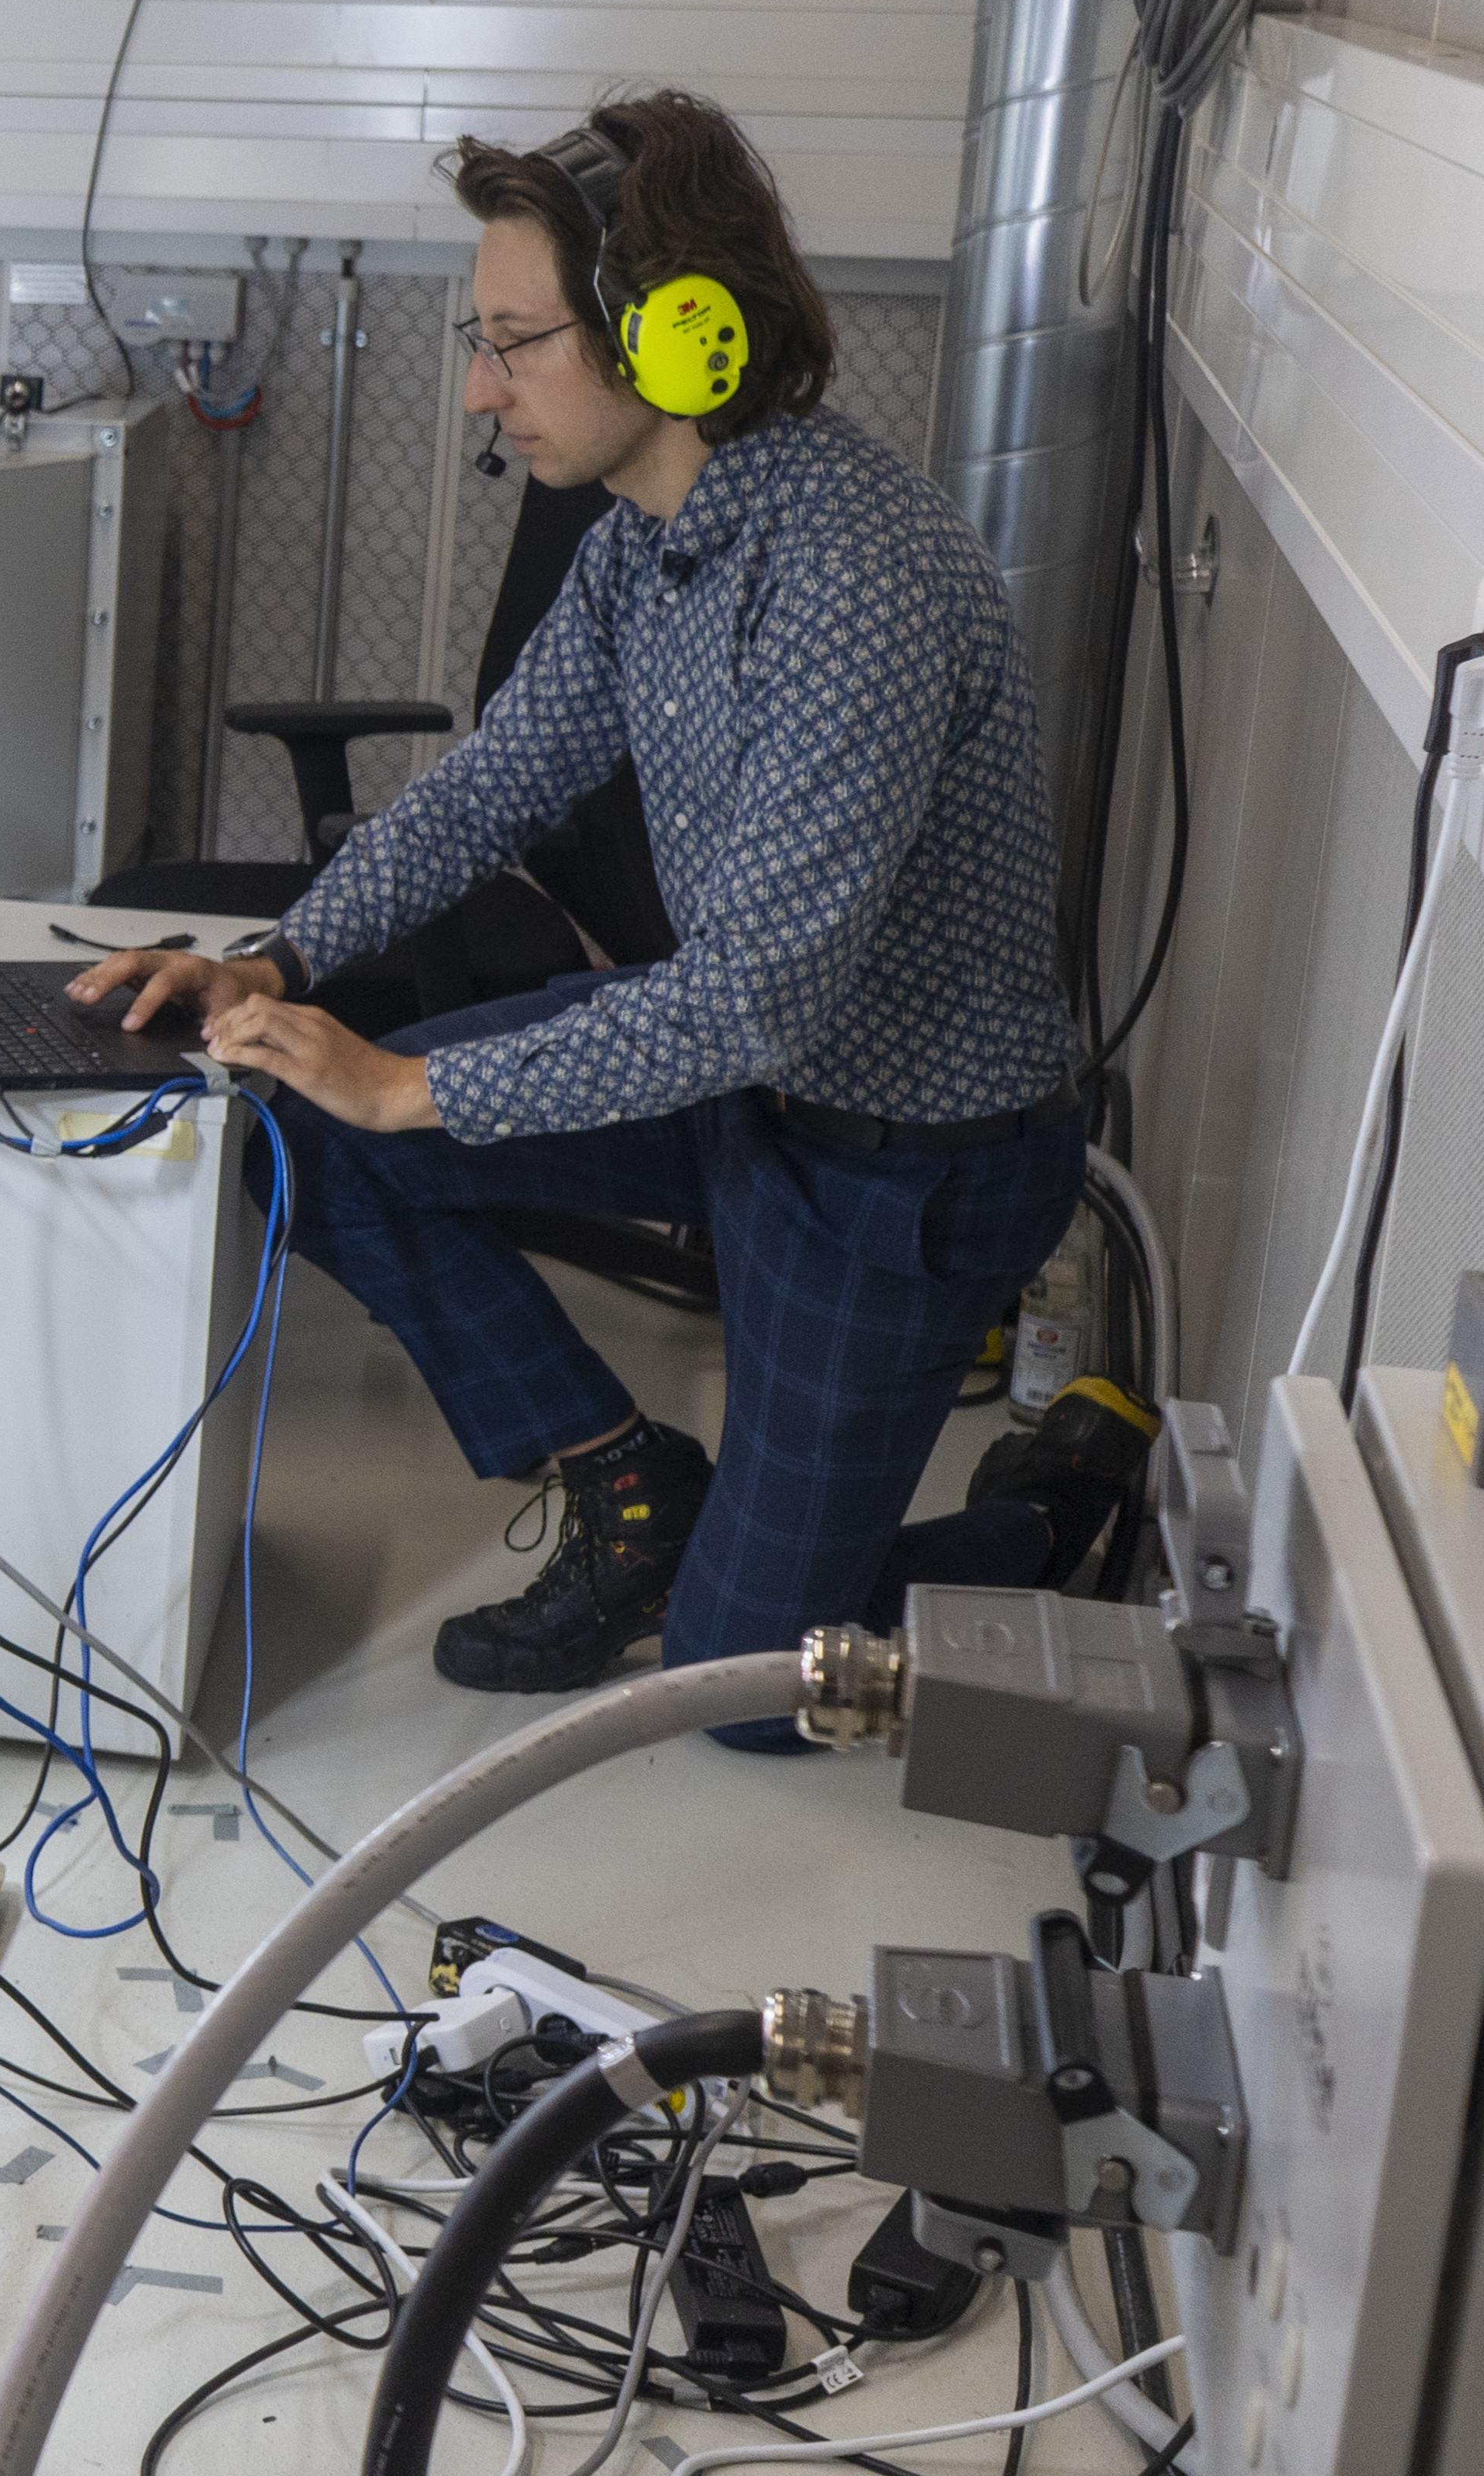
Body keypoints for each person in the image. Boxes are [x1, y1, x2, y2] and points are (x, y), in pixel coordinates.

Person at [69, 90, 1103, 1738]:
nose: (483, 390)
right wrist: (275, 962)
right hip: (740, 1092)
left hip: (899, 1165)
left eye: (515, 344)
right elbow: (493, 786)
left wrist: (413, 1080)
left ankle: (1048, 1516)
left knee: (746, 1687)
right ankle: (629, 1484)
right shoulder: (644, 545)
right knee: (307, 1122)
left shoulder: (851, 574)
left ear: (678, 331)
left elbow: (755, 993)